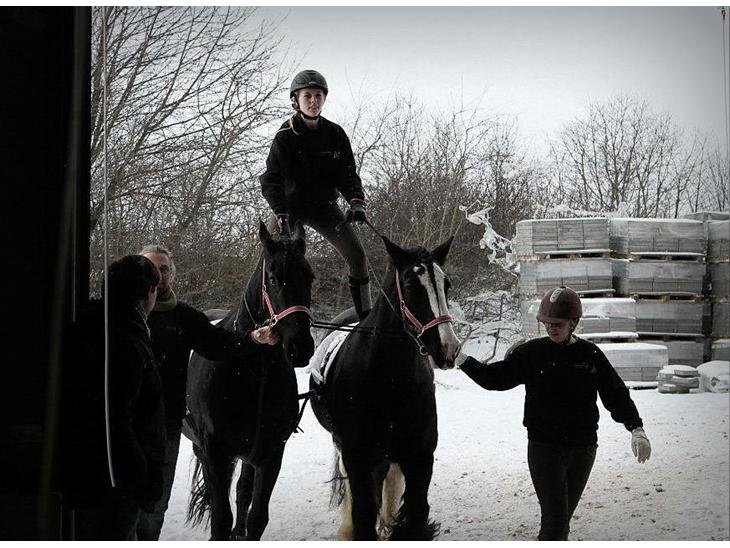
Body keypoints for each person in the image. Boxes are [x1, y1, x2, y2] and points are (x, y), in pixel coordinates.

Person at [454, 286, 652, 541]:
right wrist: (463, 360)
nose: (551, 328)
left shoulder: (590, 355)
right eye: (546, 323)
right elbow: (496, 378)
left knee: (561, 522)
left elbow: (615, 394)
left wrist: (636, 428)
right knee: (556, 524)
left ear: (573, 323)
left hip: (583, 450)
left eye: (557, 324)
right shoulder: (532, 353)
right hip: (544, 448)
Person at [135, 245, 278, 540]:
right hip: (119, 427)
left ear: (172, 274)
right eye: (151, 268)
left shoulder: (183, 317)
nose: (158, 275)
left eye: (164, 268)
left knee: (154, 506)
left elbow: (219, 344)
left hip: (164, 428)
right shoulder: (114, 315)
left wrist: (254, 337)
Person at [259, 69, 372, 320]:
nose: (313, 101)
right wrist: (280, 213)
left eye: (318, 95)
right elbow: (271, 178)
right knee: (268, 260)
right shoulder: (285, 136)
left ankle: (366, 315)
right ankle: (260, 318)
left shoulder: (335, 134)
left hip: (324, 207)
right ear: (295, 100)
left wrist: (356, 202)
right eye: (307, 96)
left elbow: (347, 174)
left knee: (358, 257)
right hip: (289, 208)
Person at [68, 254, 166, 540]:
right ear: (149, 291)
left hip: (89, 474)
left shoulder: (92, 326)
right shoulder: (126, 341)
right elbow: (116, 418)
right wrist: (142, 477)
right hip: (115, 483)